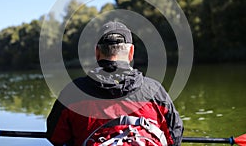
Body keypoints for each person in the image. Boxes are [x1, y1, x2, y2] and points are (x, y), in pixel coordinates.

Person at [46, 21, 183, 146]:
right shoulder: (155, 91)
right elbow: (174, 137)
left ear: (97, 53)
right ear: (131, 52)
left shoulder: (72, 93)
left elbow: (56, 137)